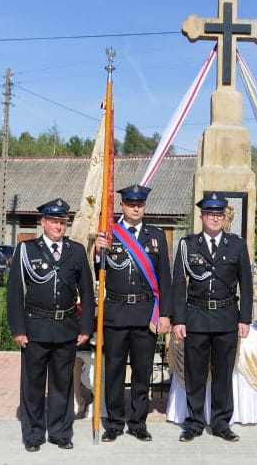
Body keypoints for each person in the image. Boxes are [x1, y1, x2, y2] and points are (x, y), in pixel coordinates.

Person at [7, 198, 95, 452]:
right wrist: (18, 329)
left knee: (62, 384)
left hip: (67, 328)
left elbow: (87, 293)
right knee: (33, 385)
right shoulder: (27, 250)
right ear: (43, 223)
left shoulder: (76, 251)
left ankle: (60, 433)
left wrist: (85, 328)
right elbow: (14, 293)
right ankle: (33, 434)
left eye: (62, 221)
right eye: (53, 221)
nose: (58, 226)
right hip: (35, 328)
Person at [172, 193, 253, 443]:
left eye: (219, 214)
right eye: (210, 214)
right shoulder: (188, 245)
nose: (215, 219)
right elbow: (178, 285)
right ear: (202, 217)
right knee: (195, 374)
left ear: (224, 217)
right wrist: (179, 319)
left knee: (222, 374)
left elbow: (246, 284)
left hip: (226, 317)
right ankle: (194, 423)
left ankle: (221, 423)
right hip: (195, 316)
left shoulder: (237, 245)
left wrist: (245, 319)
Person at [95, 184, 172, 442]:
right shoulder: (109, 234)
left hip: (144, 313)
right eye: (130, 203)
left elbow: (165, 279)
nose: (135, 207)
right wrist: (97, 253)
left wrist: (165, 314)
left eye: (139, 204)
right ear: (122, 206)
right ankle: (115, 423)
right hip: (116, 312)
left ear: (144, 206)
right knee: (114, 371)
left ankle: (138, 423)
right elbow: (98, 274)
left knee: (142, 371)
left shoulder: (156, 235)